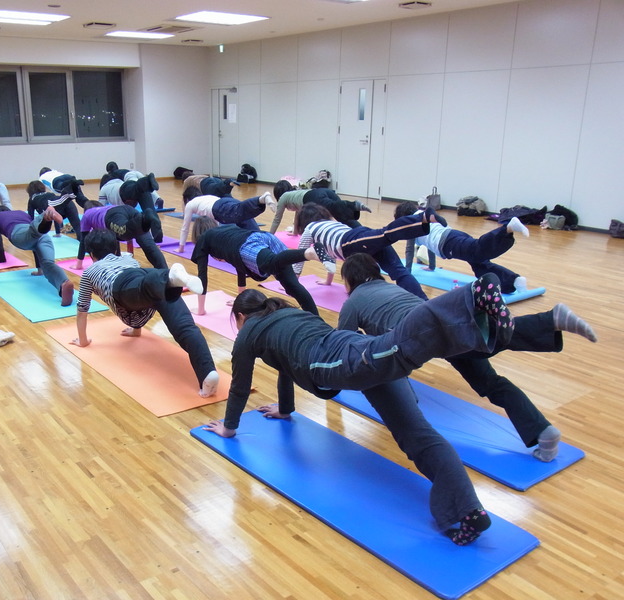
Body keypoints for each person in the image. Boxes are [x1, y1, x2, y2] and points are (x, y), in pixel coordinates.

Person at [202, 279, 516, 544]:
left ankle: (469, 296)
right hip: (348, 343)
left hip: (330, 359)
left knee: (398, 348)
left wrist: (229, 427)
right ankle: (469, 511)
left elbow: (240, 386)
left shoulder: (249, 332)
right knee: (417, 434)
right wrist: (286, 409)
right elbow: (284, 365)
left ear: (241, 316)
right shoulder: (286, 313)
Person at [337, 252, 598, 461]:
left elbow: (341, 345)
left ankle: (542, 317)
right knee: (488, 374)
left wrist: (332, 382)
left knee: (482, 340)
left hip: (424, 335)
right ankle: (543, 432)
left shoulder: (353, 301)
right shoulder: (392, 288)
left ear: (349, 280)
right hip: (435, 330)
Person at [72, 229, 219, 397]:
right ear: (114, 249)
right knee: (186, 327)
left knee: (141, 288)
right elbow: (139, 291)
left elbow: (82, 308)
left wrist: (83, 341)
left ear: (91, 255)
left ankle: (170, 279)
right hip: (150, 282)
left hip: (123, 287)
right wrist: (136, 329)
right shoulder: (128, 258)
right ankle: (208, 372)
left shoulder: (89, 272)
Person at [190, 217, 333, 316]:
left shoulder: (204, 239)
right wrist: (240, 299)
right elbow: (238, 266)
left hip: (249, 244)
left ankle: (309, 252)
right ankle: (317, 321)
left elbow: (202, 276)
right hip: (265, 237)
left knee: (270, 263)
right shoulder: (225, 231)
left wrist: (201, 310)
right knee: (292, 286)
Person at [292, 203, 431, 299]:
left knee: (386, 234)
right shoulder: (331, 223)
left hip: (351, 241)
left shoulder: (310, 228)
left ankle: (420, 220)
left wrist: (293, 284)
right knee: (399, 270)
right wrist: (328, 281)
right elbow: (330, 256)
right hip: (360, 238)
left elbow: (299, 256)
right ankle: (424, 302)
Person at [396, 201, 530, 294]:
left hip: (448, 243)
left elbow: (409, 250)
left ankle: (507, 228)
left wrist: (407, 273)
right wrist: (431, 267)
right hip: (454, 234)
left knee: (478, 250)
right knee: (480, 264)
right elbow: (427, 244)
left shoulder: (411, 224)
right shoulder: (423, 214)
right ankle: (514, 281)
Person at [0, 206, 74, 306]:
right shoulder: (21, 212)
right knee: (48, 264)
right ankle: (63, 283)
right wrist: (39, 269)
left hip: (20, 235)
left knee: (32, 233)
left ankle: (45, 216)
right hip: (44, 237)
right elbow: (35, 244)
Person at [177, 186, 276, 252]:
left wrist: (181, 247)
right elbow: (216, 223)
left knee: (240, 211)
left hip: (219, 208)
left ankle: (260, 199)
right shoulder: (205, 198)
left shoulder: (190, 204)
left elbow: (185, 228)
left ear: (187, 199)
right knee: (248, 222)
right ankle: (266, 246)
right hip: (226, 201)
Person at [73, 200, 167, 270]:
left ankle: (146, 219)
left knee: (124, 233)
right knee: (148, 245)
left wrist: (79, 264)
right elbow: (115, 239)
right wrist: (118, 260)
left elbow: (84, 241)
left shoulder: (87, 215)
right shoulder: (104, 209)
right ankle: (164, 272)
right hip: (128, 210)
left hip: (114, 215)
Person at [269, 179, 372, 235]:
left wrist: (269, 236)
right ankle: (366, 233)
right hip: (323, 192)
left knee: (334, 208)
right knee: (342, 216)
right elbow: (297, 213)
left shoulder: (283, 197)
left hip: (314, 197)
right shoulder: (295, 194)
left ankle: (353, 205)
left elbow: (277, 220)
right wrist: (295, 232)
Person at [98, 171, 164, 243]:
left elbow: (101, 208)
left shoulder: (103, 188)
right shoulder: (119, 181)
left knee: (133, 191)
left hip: (125, 193)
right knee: (151, 212)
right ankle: (157, 235)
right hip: (131, 188)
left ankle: (146, 180)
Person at [32, 172, 84, 239]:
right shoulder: (53, 172)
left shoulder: (42, 178)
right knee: (76, 223)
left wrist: (58, 233)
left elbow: (54, 215)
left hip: (57, 195)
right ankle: (81, 239)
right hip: (66, 178)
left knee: (61, 197)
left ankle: (72, 187)